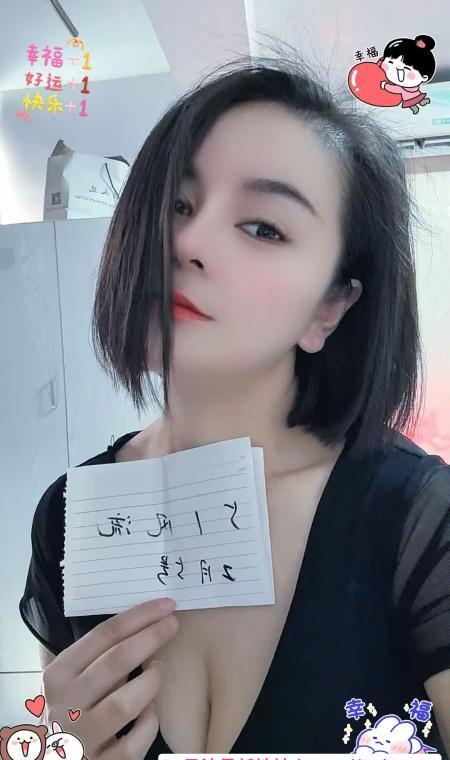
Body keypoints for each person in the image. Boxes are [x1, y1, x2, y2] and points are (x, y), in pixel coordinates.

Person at [20, 45, 450, 758]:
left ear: (331, 308)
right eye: (177, 204)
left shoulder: (419, 526)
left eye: (262, 227)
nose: (186, 240)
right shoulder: (69, 518)